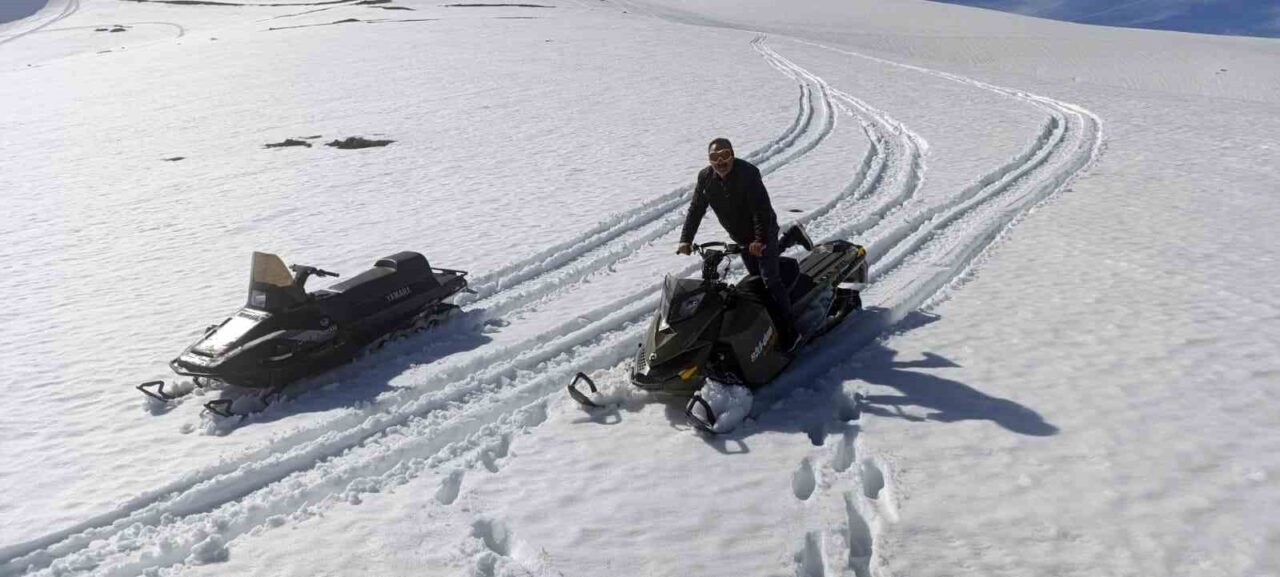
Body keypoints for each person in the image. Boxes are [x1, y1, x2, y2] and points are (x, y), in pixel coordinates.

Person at [677, 137, 797, 351]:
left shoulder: (748, 173)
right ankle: (791, 238)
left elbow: (760, 210)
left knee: (769, 280)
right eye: (714, 157)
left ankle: (790, 330)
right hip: (741, 237)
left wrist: (759, 240)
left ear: (732, 155)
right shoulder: (705, 178)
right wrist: (686, 239)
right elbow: (696, 209)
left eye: (725, 155)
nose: (720, 161)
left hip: (763, 231)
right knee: (757, 276)